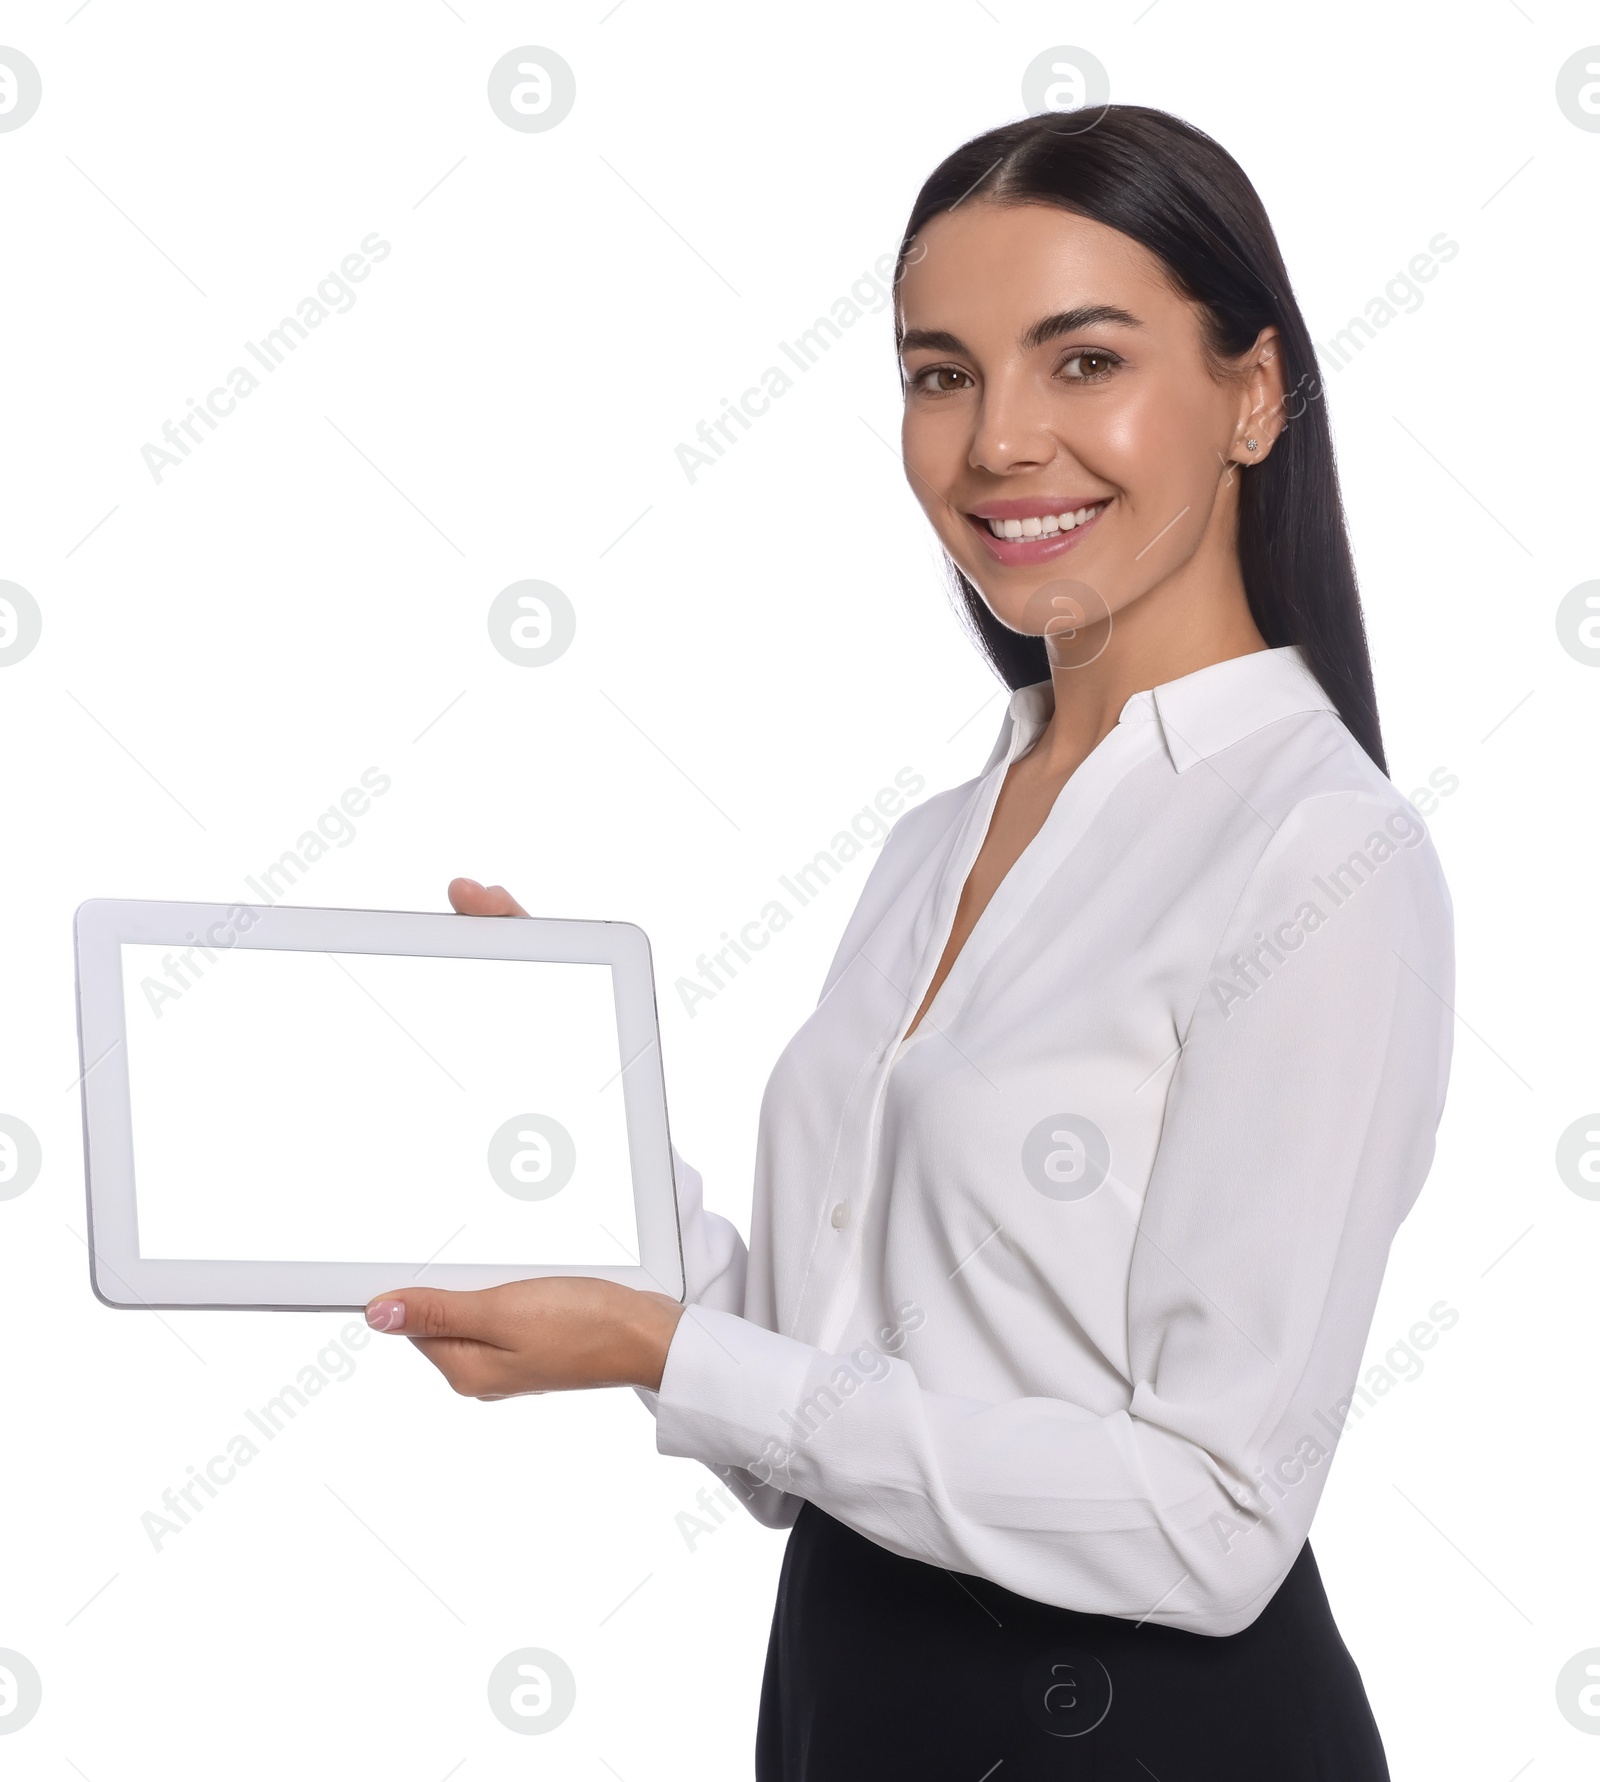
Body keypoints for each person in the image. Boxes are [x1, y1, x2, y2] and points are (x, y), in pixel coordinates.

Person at [362, 106, 1454, 1779]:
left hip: (1147, 1735)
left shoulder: (1318, 852)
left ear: (1253, 390)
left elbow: (1216, 1517)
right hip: (850, 1698)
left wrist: (669, 1351)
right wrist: (580, 1125)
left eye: (1081, 362)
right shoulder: (942, 837)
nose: (1000, 439)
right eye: (941, 374)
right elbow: (813, 1402)